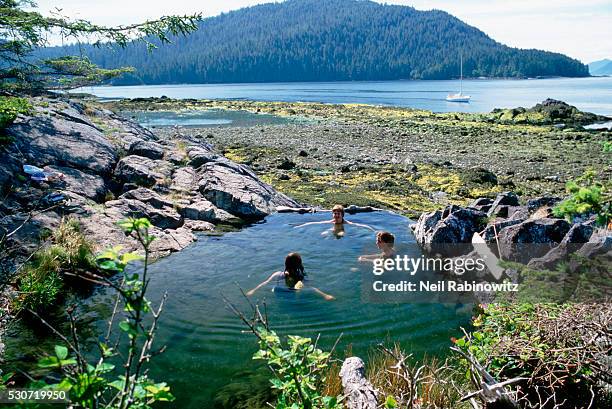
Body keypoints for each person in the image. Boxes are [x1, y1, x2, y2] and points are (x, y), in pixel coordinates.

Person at [246, 252, 335, 300]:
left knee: (275, 288)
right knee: (299, 288)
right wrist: (325, 295)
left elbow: (265, 283)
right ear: (299, 264)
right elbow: (311, 288)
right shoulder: (300, 277)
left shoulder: (278, 274)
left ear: (285, 264)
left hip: (278, 294)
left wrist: (253, 291)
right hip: (292, 297)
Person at [294, 204, 375, 236]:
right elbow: (316, 223)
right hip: (333, 230)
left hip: (342, 231)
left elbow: (358, 225)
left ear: (342, 215)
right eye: (335, 213)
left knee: (340, 234)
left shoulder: (346, 223)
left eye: (338, 214)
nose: (336, 215)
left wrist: (372, 229)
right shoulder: (332, 222)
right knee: (323, 234)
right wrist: (301, 225)